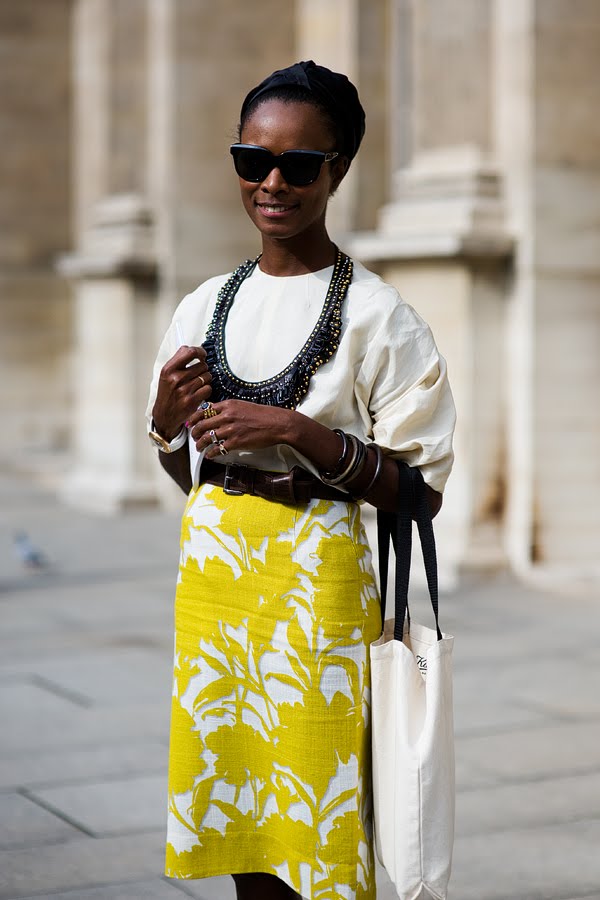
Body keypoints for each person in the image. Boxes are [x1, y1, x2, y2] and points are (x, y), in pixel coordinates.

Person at [146, 60, 455, 900]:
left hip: (318, 581)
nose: (272, 182)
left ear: (338, 171)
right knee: (241, 809)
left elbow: (420, 493)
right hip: (214, 579)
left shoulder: (379, 316)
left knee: (319, 816)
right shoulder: (205, 302)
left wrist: (299, 432)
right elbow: (185, 469)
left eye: (299, 165)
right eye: (254, 160)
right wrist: (171, 423)